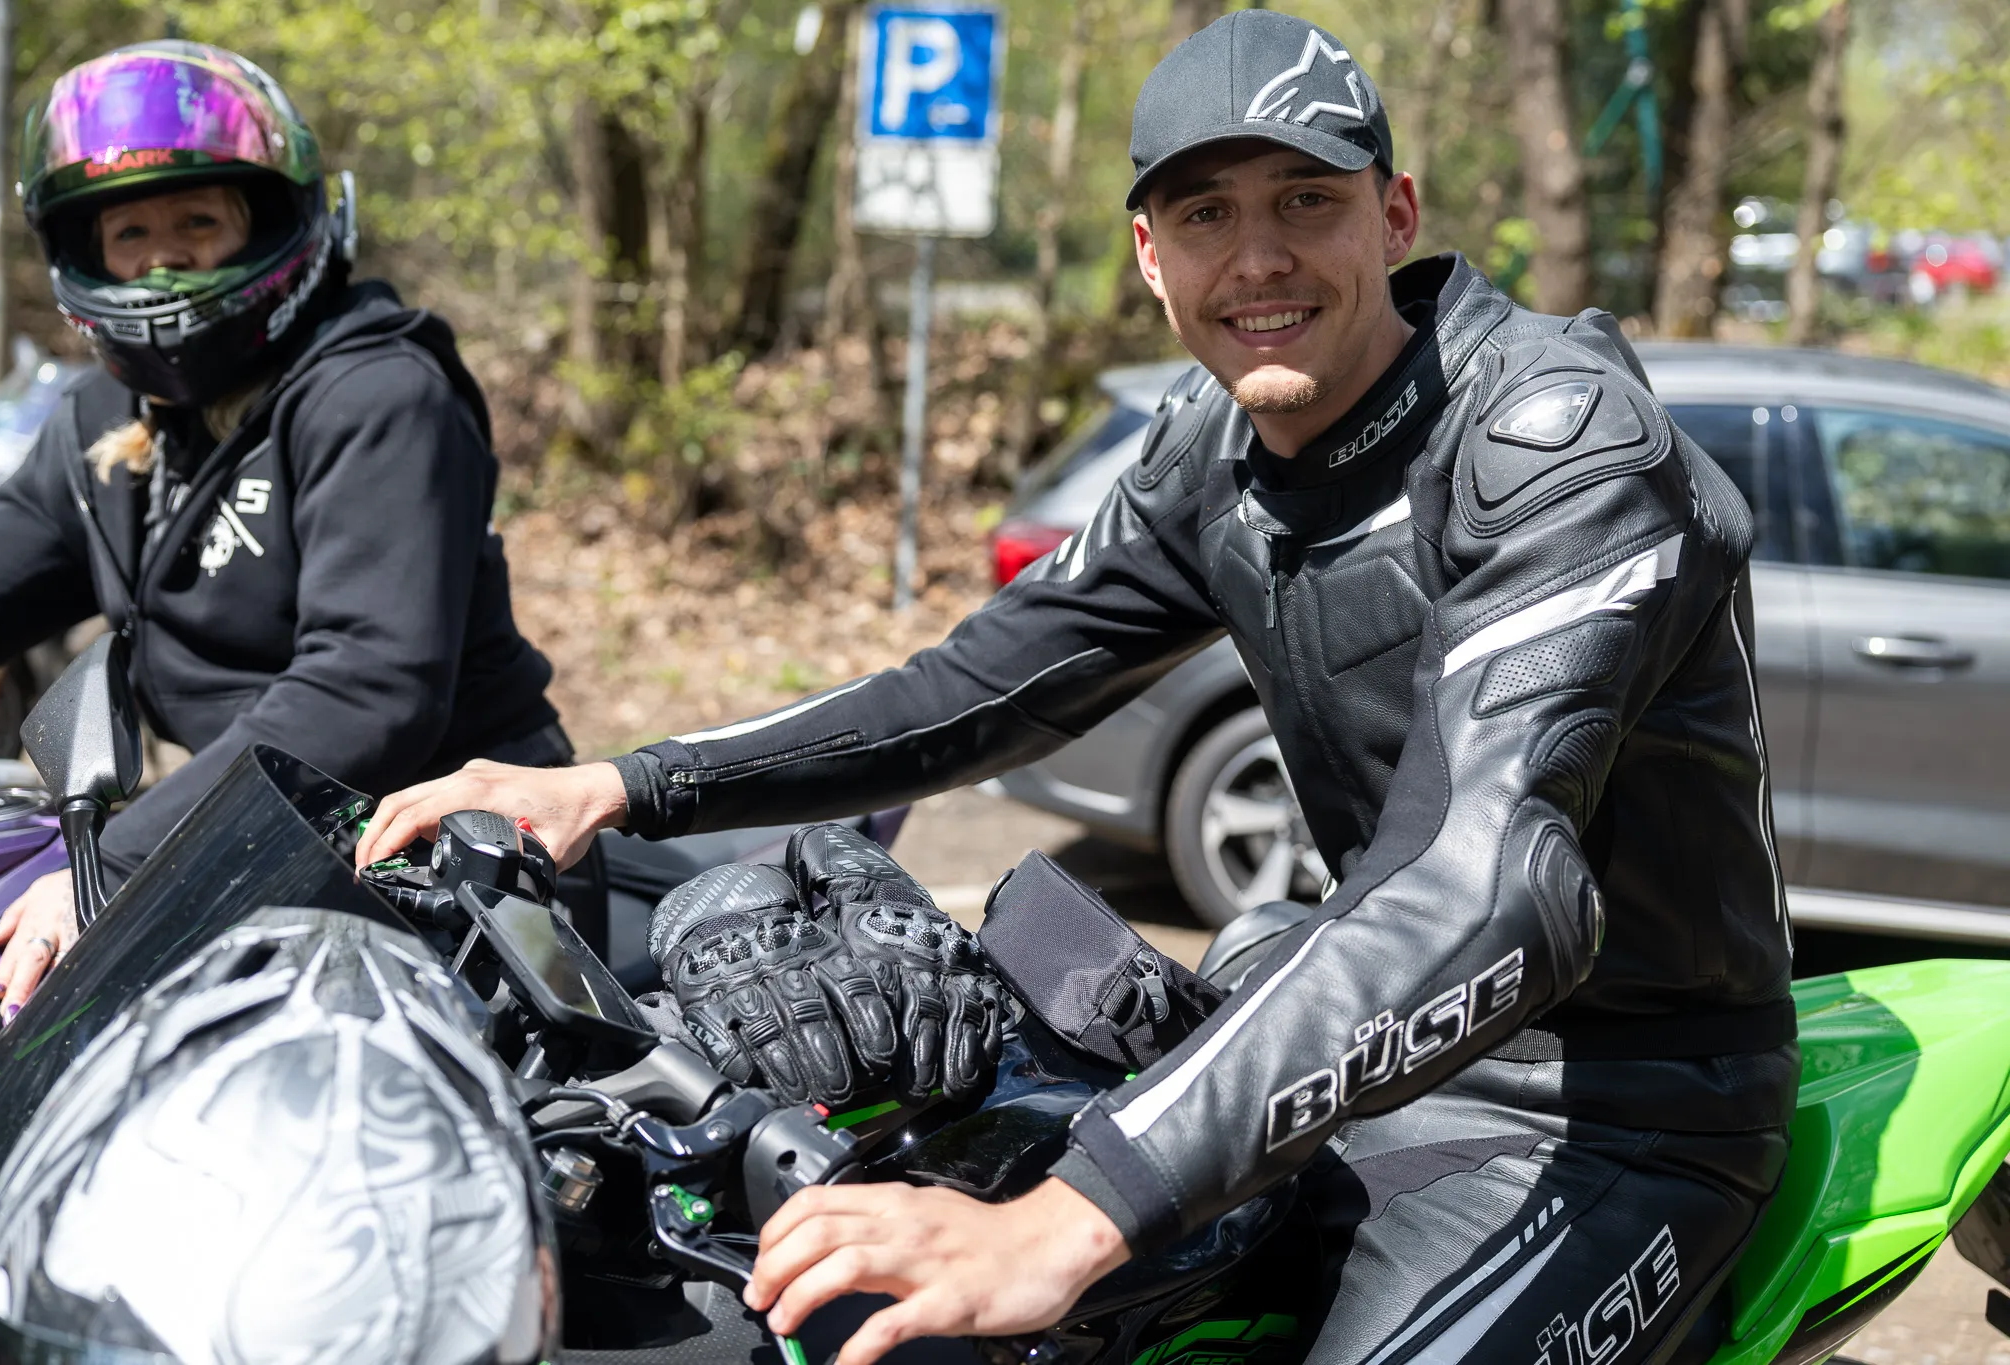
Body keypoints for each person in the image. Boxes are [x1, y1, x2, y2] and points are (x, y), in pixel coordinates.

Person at [360, 11, 1796, 1365]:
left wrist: (1074, 1214)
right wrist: (621, 782)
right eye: (1206, 214)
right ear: (1150, 255)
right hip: (1342, 1037)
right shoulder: (1214, 459)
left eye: (1307, 200)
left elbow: (1492, 884)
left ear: (1396, 214)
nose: (1259, 261)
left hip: (1616, 1104)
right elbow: (973, 688)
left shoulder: (1558, 445)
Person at [0, 41, 566, 1016]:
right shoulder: (103, 424)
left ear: (273, 224)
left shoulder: (378, 397)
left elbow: (365, 691)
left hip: (452, 879)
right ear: (87, 254)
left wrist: (111, 872)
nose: (162, 258)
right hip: (253, 856)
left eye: (199, 220)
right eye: (130, 233)